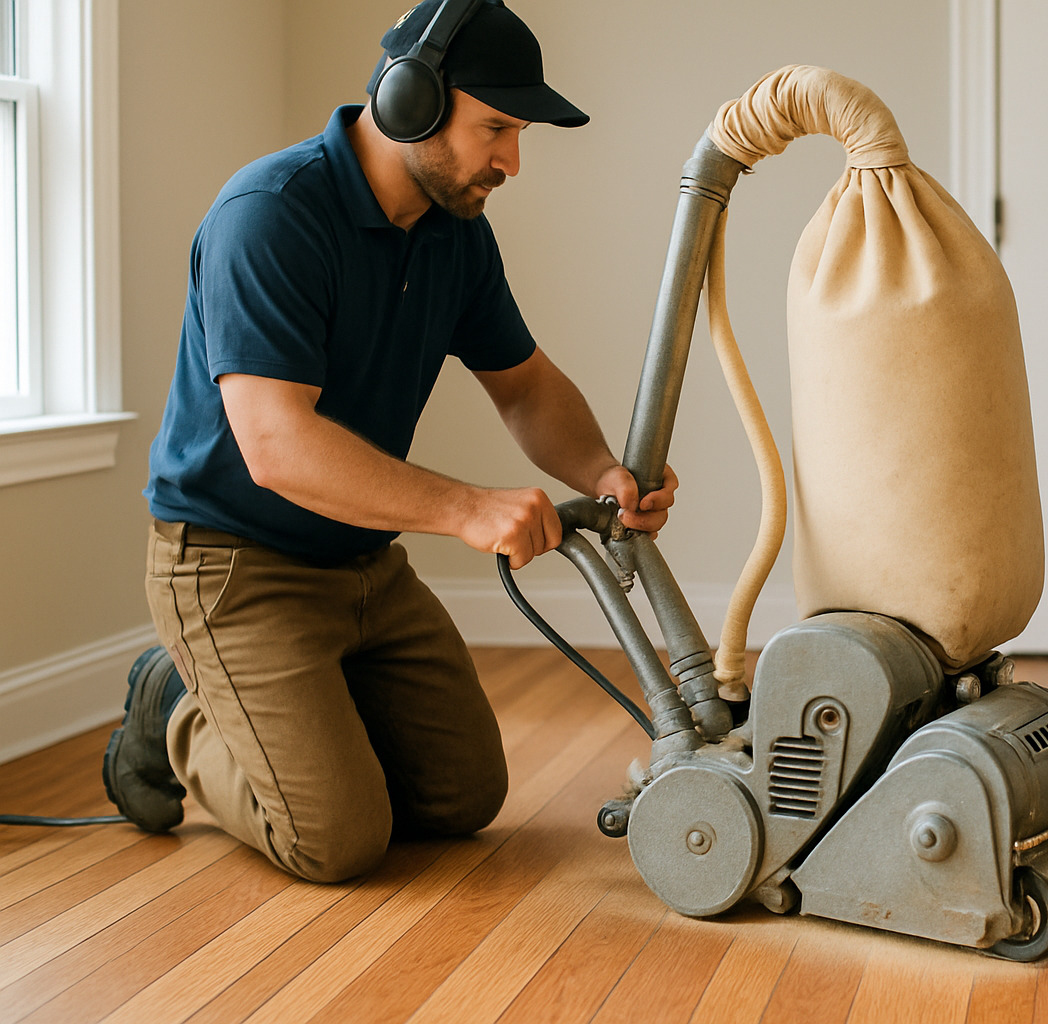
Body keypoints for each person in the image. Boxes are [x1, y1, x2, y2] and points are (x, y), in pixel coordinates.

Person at [103, 0, 674, 883]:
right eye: (495, 128)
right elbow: (277, 447)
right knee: (335, 841)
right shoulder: (271, 216)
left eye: (518, 133)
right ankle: (174, 702)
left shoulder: (456, 236)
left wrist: (603, 472)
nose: (511, 161)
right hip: (232, 568)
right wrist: (467, 508)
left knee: (462, 798)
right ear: (413, 99)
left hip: (365, 565)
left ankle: (298, 720)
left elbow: (523, 386)